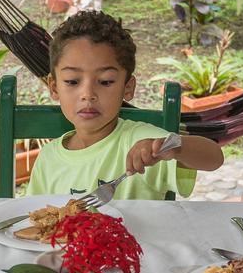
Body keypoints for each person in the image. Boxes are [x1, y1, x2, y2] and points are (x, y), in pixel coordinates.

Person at [26, 10, 223, 200]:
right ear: (54, 87)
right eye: (72, 81)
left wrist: (177, 147)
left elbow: (214, 158)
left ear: (127, 88)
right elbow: (36, 216)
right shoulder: (48, 158)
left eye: (105, 81)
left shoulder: (142, 142)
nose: (88, 95)